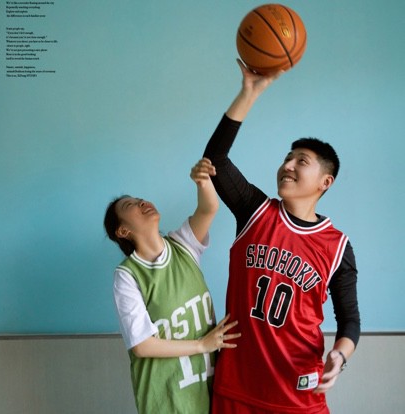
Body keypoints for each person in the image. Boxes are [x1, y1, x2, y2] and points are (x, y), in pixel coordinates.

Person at [203, 60, 360, 414]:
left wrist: (340, 354)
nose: (287, 165)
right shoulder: (254, 210)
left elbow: (349, 318)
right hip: (237, 387)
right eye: (287, 158)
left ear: (325, 182)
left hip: (298, 392)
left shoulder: (337, 247)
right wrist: (248, 92)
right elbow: (216, 159)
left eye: (301, 161)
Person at [103, 157, 241, 414]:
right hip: (167, 400)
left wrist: (202, 181)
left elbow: (208, 208)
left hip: (209, 393)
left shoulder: (183, 245)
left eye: (140, 199)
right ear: (122, 231)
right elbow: (142, 345)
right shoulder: (127, 275)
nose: (141, 202)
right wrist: (202, 345)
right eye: (130, 204)